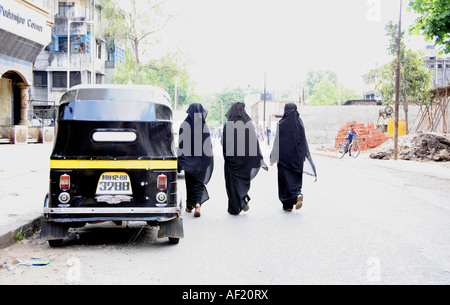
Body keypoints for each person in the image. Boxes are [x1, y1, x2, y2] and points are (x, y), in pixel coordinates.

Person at [222, 102, 268, 215]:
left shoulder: (228, 125)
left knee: (232, 183)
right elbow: (254, 143)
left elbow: (223, 142)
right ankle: (243, 197)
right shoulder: (249, 124)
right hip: (246, 160)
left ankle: (235, 207)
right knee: (242, 180)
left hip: (232, 160)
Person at [270, 103, 317, 211]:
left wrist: (273, 158)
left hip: (284, 159)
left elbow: (277, 142)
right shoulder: (300, 123)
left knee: (284, 182)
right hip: (297, 158)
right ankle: (297, 194)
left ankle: (287, 205)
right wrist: (304, 155)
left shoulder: (281, 124)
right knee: (295, 180)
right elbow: (303, 140)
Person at [178, 103, 214, 217]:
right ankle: (198, 204)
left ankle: (189, 206)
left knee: (189, 183)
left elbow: (181, 145)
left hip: (188, 161)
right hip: (201, 161)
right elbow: (208, 146)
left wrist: (180, 162)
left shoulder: (184, 125)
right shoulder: (204, 126)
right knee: (198, 183)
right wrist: (208, 161)